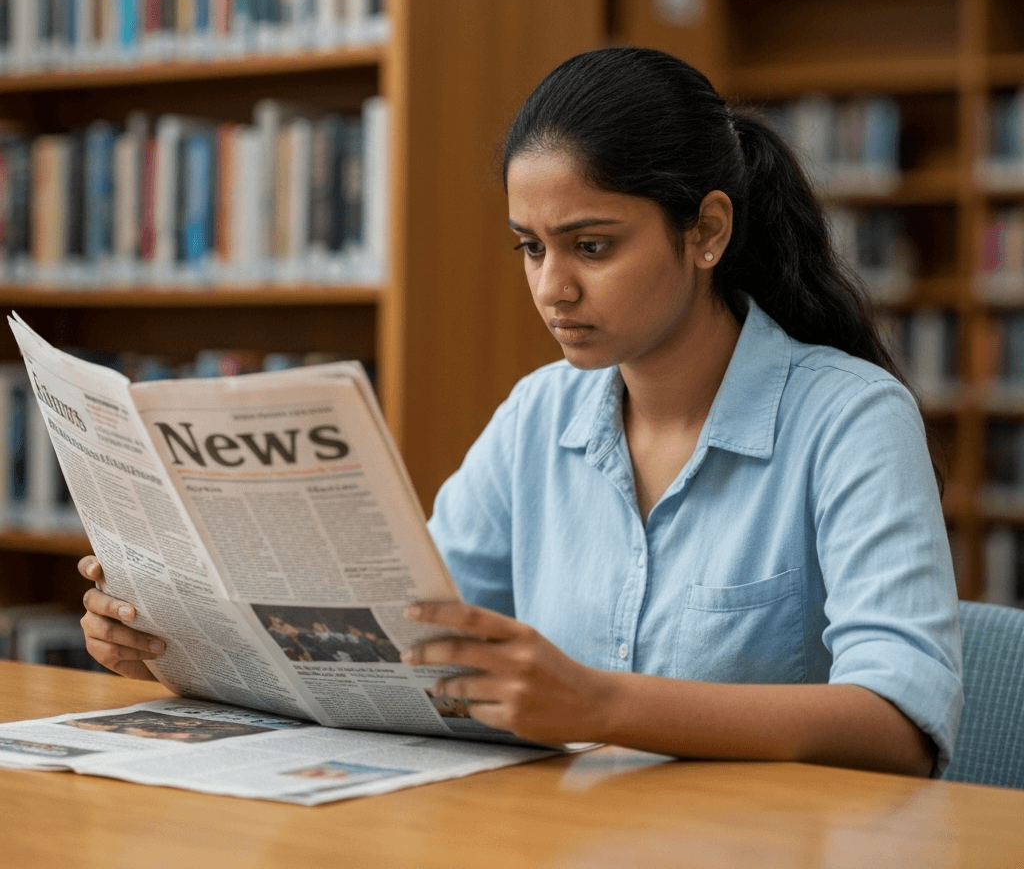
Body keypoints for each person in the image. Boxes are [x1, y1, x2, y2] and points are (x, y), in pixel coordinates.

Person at [77, 47, 962, 777]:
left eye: (591, 245)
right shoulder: (541, 413)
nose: (552, 287)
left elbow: (899, 729)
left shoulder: (850, 420)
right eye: (530, 248)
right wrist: (179, 644)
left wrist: (601, 703)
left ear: (707, 232)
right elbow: (410, 652)